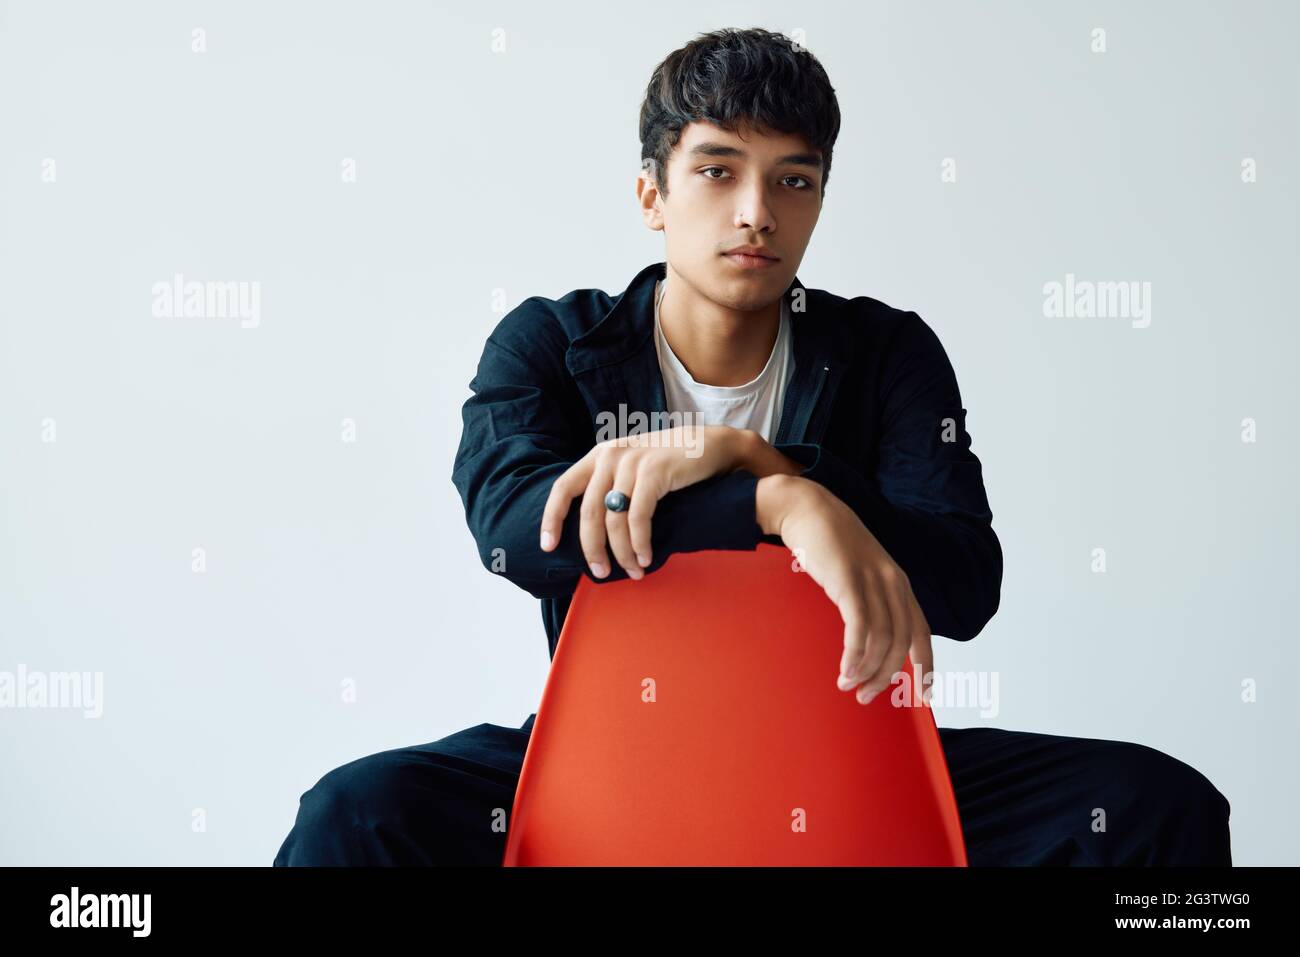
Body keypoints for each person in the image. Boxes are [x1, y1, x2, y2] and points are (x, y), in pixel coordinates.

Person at [274, 27, 1231, 867]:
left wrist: (773, 462)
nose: (756, 211)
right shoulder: (551, 347)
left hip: (855, 753)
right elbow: (527, 529)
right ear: (652, 193)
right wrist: (777, 505)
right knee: (354, 815)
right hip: (610, 752)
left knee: (1157, 809)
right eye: (718, 170)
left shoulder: (887, 352)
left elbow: (964, 581)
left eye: (793, 179)